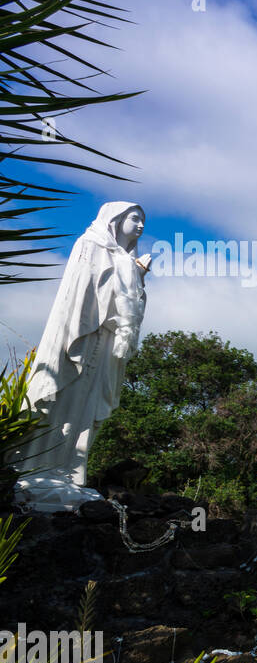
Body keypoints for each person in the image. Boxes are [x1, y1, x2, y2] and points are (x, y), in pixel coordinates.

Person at [13, 202, 151, 508]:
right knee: (64, 401)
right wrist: (129, 273)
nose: (141, 226)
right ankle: (38, 471)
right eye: (135, 218)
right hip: (82, 337)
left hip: (104, 345)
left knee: (86, 408)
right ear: (115, 219)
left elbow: (127, 307)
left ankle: (68, 474)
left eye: (143, 221)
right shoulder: (91, 244)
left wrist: (137, 277)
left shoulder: (126, 260)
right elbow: (83, 293)